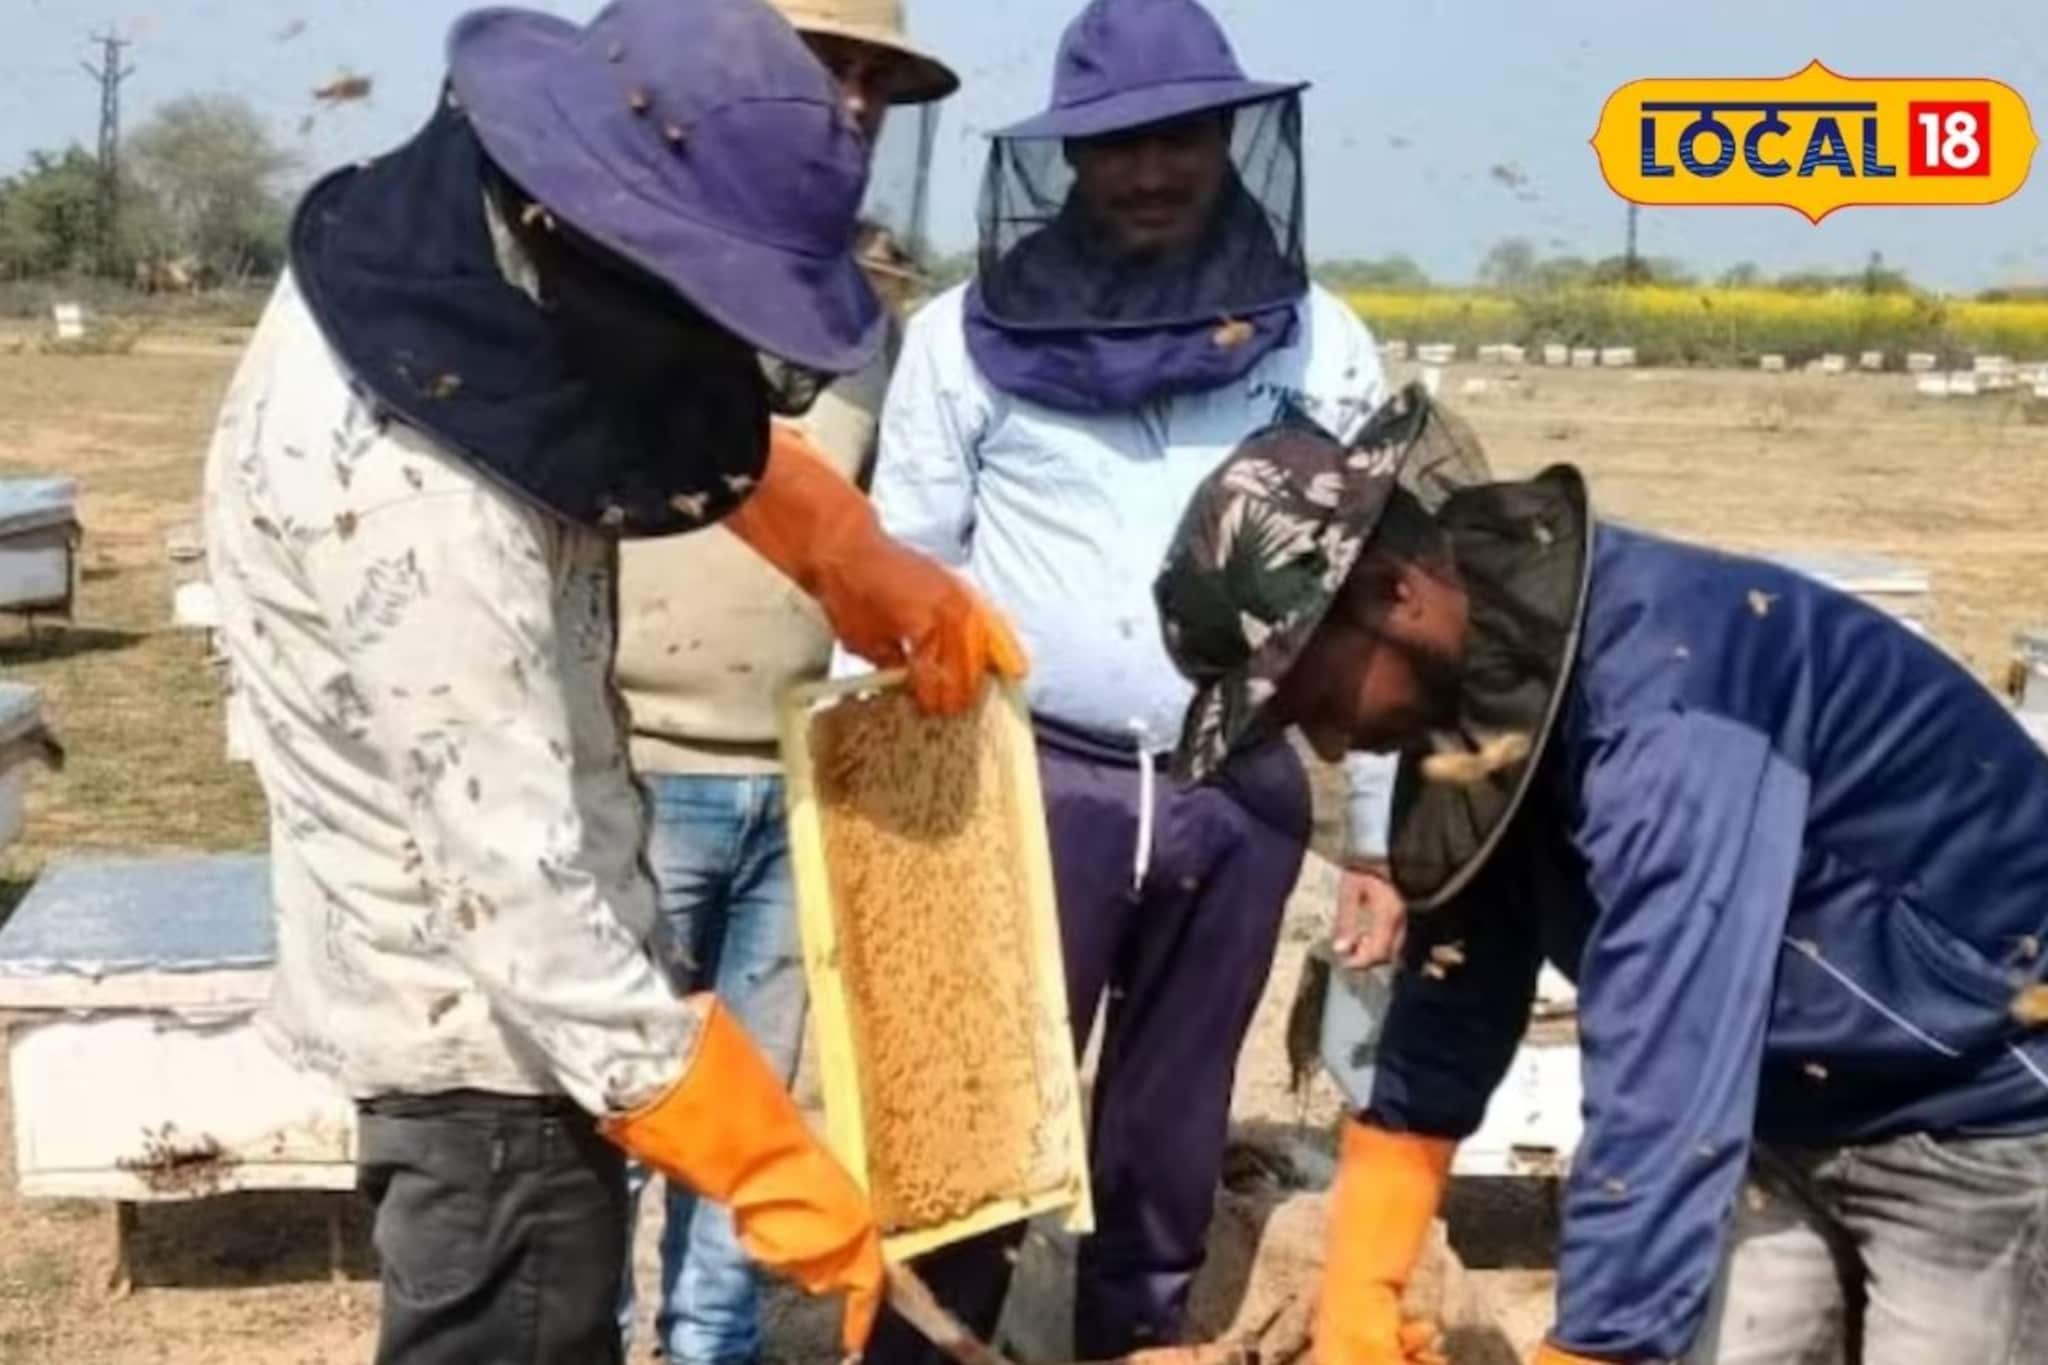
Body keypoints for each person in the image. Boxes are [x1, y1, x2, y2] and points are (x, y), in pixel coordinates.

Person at [201, 2, 1021, 1361]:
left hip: (508, 1041)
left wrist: (835, 540)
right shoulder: (416, 501)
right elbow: (523, 909)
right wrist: (770, 1163)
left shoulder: (462, 258)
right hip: (494, 1071)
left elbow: (606, 388)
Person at [1150, 387, 2048, 1365]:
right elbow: (1459, 969)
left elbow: (1671, 1039)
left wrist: (1596, 1350)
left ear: (1396, 593)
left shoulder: (1671, 706)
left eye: (1314, 696)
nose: (1325, 740)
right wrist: (1363, 1279)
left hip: (1975, 1114)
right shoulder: (1484, 690)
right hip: (1777, 1106)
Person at [860, 0, 1390, 1358]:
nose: (1152, 172)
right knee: (972, 1143)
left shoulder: (1317, 338)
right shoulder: (961, 337)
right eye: (1119, 146)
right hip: (1029, 783)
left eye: (1182, 138)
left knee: (1166, 1146)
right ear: (1070, 160)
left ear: (1231, 140)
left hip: (1239, 791)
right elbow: (898, 582)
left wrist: (1383, 841)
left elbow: (1371, 600)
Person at [610, 1, 960, 1360]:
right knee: (618, 1109)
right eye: (830, 68)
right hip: (635, 768)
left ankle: (713, 1350)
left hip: (801, 779)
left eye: (879, 79)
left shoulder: (869, 326)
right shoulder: (625, 270)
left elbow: (891, 542)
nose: (857, 101)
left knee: (755, 1129)